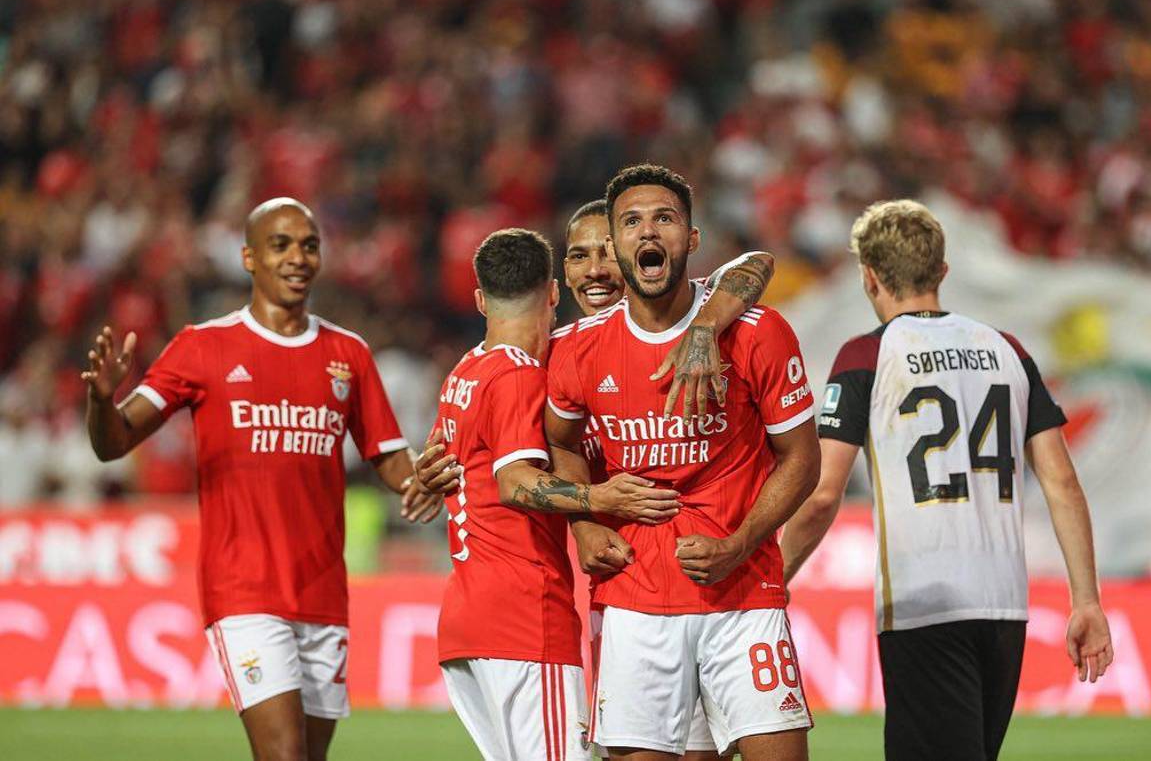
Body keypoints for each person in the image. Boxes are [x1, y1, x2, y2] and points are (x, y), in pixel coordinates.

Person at [82, 198, 431, 761]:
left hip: (323, 592)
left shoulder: (350, 354)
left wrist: (430, 478)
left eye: (309, 245)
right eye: (281, 244)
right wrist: (102, 402)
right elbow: (113, 442)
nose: (298, 257)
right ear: (249, 257)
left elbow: (391, 461)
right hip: (244, 593)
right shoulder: (202, 347)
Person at [780, 200, 1114, 761]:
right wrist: (1087, 600)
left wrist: (774, 575)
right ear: (942, 272)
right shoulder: (1008, 350)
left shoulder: (868, 355)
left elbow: (821, 494)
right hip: (1005, 606)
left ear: (868, 277)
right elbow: (1062, 483)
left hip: (923, 603)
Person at [546, 165, 821, 760]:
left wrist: (743, 541)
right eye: (633, 222)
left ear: (691, 240)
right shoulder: (576, 349)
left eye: (665, 218)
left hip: (743, 596)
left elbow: (801, 459)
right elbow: (561, 444)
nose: (649, 232)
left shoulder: (757, 332)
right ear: (617, 247)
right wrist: (586, 521)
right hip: (634, 601)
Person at [430, 227, 678, 760]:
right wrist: (602, 498)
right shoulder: (519, 375)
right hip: (522, 616)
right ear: (551, 292)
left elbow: (438, 462)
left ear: (479, 299)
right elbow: (515, 482)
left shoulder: (466, 369)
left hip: (467, 620)